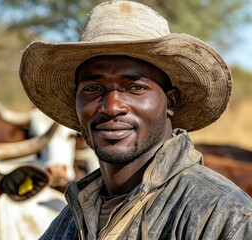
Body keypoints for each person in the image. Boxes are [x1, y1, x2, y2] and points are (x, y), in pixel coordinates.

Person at [19, 0, 252, 239]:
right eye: (93, 88)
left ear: (170, 102)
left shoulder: (224, 217)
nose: (112, 107)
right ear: (76, 102)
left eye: (136, 88)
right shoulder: (66, 223)